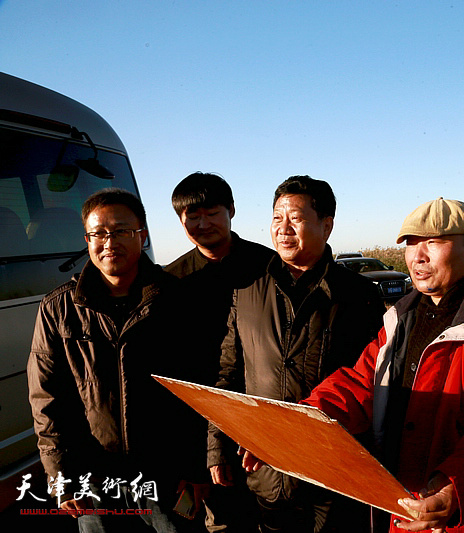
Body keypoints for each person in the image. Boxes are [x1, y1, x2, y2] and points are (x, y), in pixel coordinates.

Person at [243, 197, 464, 532]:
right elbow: (361, 382)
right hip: (401, 508)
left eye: (434, 243)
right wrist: (291, 427)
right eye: (410, 243)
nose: (418, 257)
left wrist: (456, 487)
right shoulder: (402, 316)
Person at [209, 175, 385, 532]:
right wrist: (216, 447)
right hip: (265, 475)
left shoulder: (358, 295)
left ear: (327, 225)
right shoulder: (246, 290)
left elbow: (373, 383)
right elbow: (228, 374)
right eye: (277, 218)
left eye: (296, 218)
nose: (283, 228)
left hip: (335, 478)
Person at [28, 188, 201, 532]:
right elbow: (47, 400)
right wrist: (61, 477)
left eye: (121, 231)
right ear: (87, 239)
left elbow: (201, 388)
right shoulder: (58, 309)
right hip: (93, 477)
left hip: (164, 475)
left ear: (142, 234)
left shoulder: (178, 300)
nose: (110, 242)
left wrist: (198, 466)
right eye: (99, 234)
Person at [166, 172, 277, 532]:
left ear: (231, 210)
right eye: (192, 217)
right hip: (202, 420)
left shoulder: (269, 267)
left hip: (263, 411)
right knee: (222, 521)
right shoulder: (172, 281)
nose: (203, 224)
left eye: (211, 213)